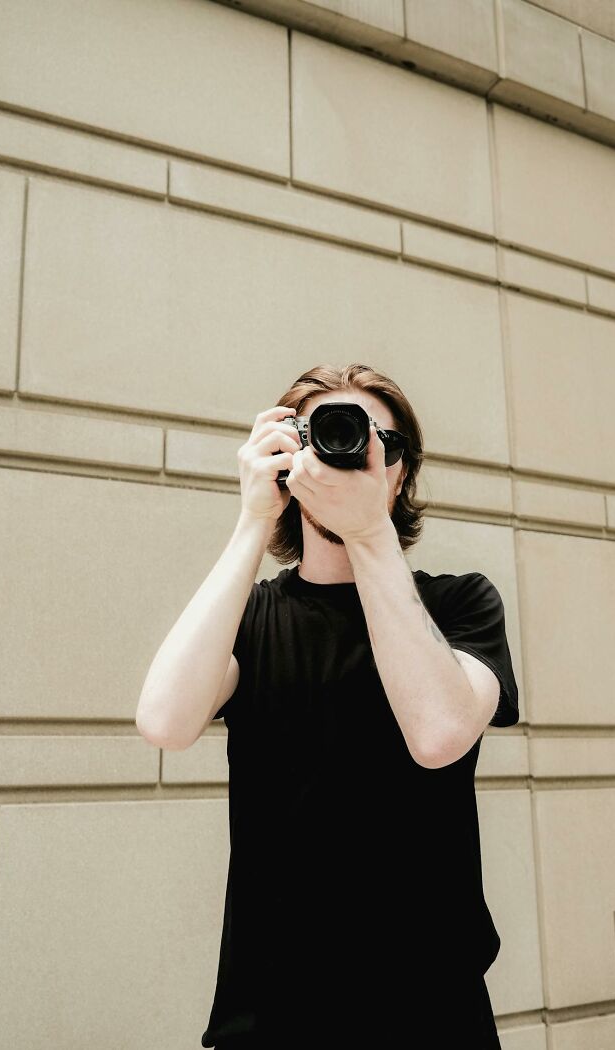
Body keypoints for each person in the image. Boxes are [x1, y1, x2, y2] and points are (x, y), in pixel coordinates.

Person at [137, 363, 519, 1048]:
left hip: (432, 1009)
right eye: (324, 436)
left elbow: (437, 734)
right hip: (273, 1013)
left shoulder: (461, 603)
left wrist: (369, 534)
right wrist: (254, 518)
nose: (346, 452)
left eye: (373, 441)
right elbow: (164, 722)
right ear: (289, 458)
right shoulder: (251, 618)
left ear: (400, 473)